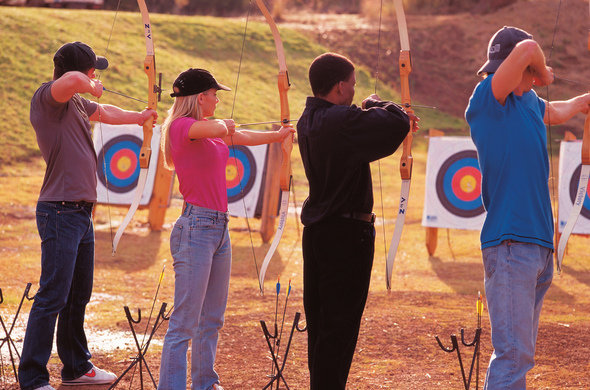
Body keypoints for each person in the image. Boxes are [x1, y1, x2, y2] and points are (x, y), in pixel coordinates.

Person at [18, 41, 158, 390]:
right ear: (76, 70)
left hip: (80, 213)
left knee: (78, 294)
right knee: (52, 294)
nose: (97, 74)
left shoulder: (78, 102)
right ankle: (33, 378)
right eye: (92, 68)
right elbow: (68, 83)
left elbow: (105, 111)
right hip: (59, 210)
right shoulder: (48, 98)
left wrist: (139, 117)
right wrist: (85, 80)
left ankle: (76, 368)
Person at [465, 26, 590, 389]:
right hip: (510, 245)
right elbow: (528, 48)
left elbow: (556, 110)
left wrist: (582, 103)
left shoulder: (529, 104)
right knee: (513, 356)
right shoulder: (487, 99)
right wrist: (544, 70)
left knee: (520, 355)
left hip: (536, 247)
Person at [157, 68, 294, 390]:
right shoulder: (181, 127)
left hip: (218, 228)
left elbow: (239, 136)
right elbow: (221, 128)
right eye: (214, 94)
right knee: (184, 322)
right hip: (195, 227)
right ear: (200, 97)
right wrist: (223, 125)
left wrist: (278, 135)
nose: (217, 99)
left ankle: (205, 383)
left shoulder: (207, 130)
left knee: (212, 318)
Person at [296, 52, 417, 389]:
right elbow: (395, 123)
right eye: (351, 84)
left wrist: (365, 111)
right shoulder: (343, 121)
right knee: (339, 328)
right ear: (338, 87)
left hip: (318, 234)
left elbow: (354, 129)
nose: (353, 90)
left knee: (322, 328)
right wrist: (377, 103)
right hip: (346, 237)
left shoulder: (307, 120)